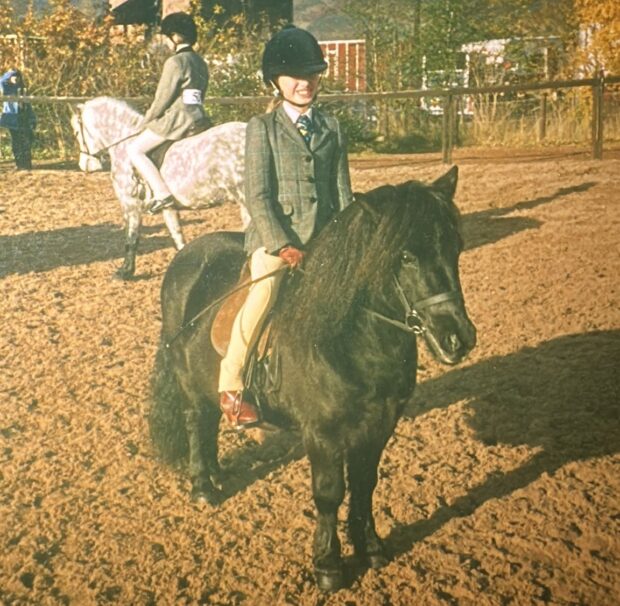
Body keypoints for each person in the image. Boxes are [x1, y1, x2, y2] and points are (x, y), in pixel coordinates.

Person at [218, 25, 354, 429]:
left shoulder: (332, 128)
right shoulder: (262, 128)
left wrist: (349, 239)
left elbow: (343, 193)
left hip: (326, 238)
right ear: (276, 81)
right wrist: (281, 246)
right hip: (276, 239)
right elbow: (258, 196)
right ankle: (232, 385)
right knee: (263, 292)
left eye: (311, 74)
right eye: (295, 76)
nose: (304, 83)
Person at [127, 12, 209, 218]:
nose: (166, 41)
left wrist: (146, 121)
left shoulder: (175, 62)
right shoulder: (200, 61)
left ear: (176, 37)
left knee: (135, 149)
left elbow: (162, 99)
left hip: (178, 120)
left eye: (167, 37)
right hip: (199, 117)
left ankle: (162, 193)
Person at [0, 69, 36, 170]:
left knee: (26, 141)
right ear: (9, 78)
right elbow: (1, 81)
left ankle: (27, 164)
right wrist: (10, 73)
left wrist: (32, 119)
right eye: (13, 77)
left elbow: (29, 106)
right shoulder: (7, 88)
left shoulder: (23, 89)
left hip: (24, 117)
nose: (16, 78)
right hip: (13, 119)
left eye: (17, 77)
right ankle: (19, 164)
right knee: (16, 142)